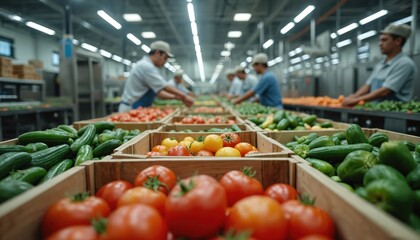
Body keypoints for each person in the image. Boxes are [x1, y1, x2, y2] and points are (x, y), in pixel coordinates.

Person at [342, 24, 417, 106]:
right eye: (380, 40)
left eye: (384, 40)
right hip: (377, 109)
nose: (380, 44)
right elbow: (368, 86)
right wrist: (353, 97)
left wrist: (355, 100)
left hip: (394, 113)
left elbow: (385, 91)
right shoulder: (381, 64)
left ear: (398, 41)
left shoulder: (404, 64)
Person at [118, 41, 194, 112]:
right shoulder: (146, 66)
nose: (165, 61)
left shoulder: (148, 66)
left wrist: (178, 97)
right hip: (131, 108)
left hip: (138, 108)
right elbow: (165, 87)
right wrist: (184, 96)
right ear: (157, 53)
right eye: (165, 57)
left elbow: (159, 92)